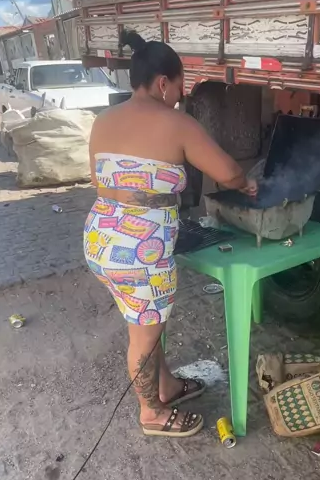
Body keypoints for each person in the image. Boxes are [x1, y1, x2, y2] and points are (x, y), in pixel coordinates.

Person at [84, 29, 257, 438]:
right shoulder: (176, 123)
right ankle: (151, 413)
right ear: (163, 82)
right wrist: (246, 184)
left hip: (100, 237)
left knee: (145, 322)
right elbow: (228, 172)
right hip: (140, 251)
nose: (180, 97)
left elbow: (100, 180)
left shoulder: (103, 121)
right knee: (144, 337)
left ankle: (166, 387)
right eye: (180, 87)